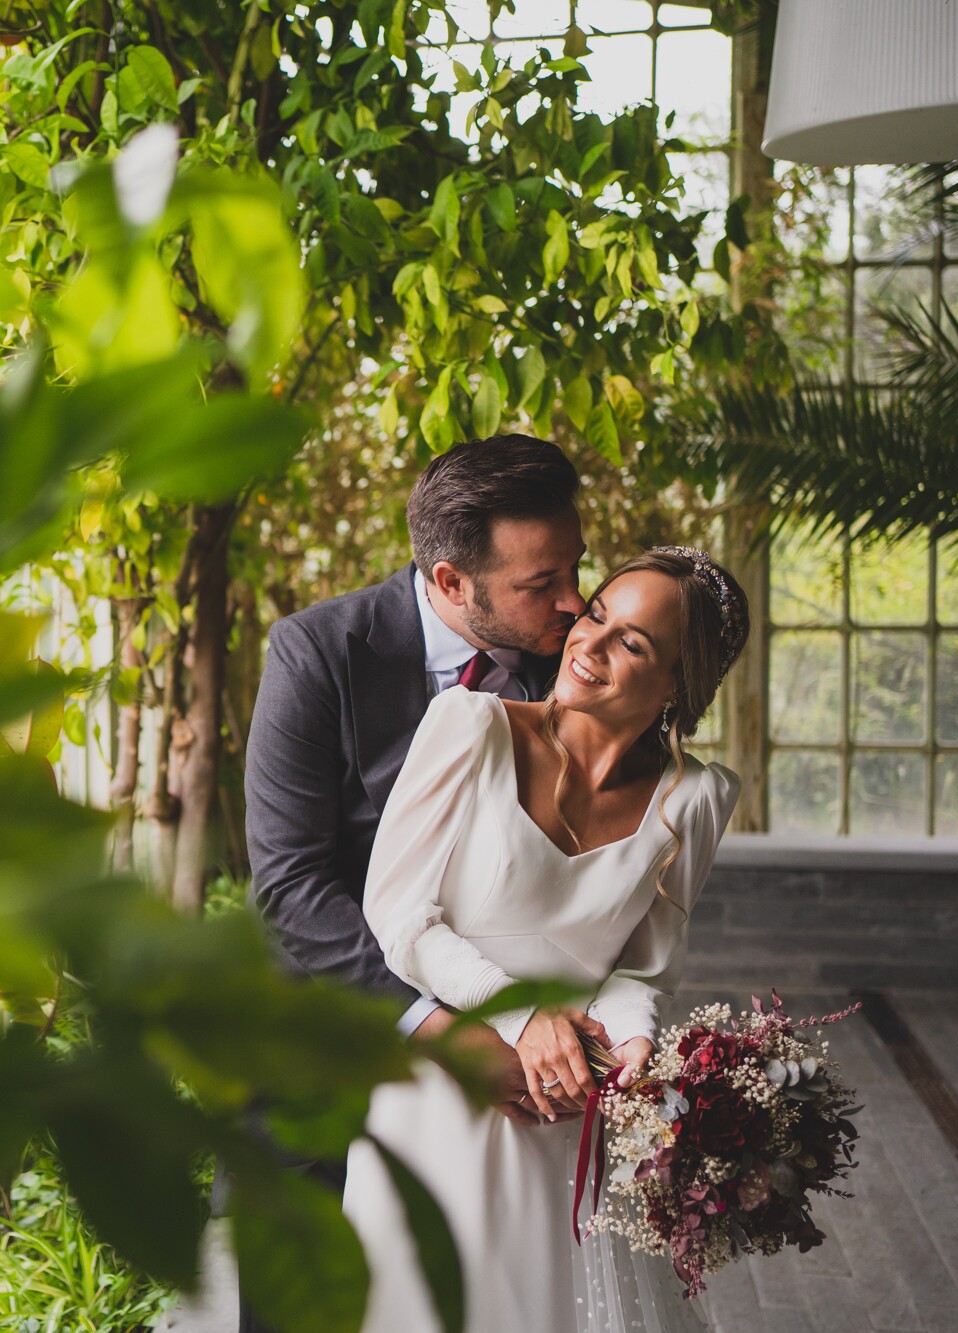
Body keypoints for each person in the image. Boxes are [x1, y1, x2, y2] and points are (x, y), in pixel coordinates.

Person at [343, 546, 750, 1333]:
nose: (588, 644)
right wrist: (523, 1019)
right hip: (436, 1104)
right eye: (595, 613)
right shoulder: (469, 728)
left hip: (565, 1123)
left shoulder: (696, 798)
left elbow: (643, 971)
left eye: (631, 642)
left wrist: (632, 1053)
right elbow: (399, 917)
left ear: (678, 684)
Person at [241, 434, 587, 1333]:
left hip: (513, 1092)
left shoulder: (581, 670)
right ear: (448, 581)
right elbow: (290, 887)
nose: (573, 601)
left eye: (574, 568)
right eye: (539, 583)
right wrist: (439, 1028)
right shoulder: (317, 655)